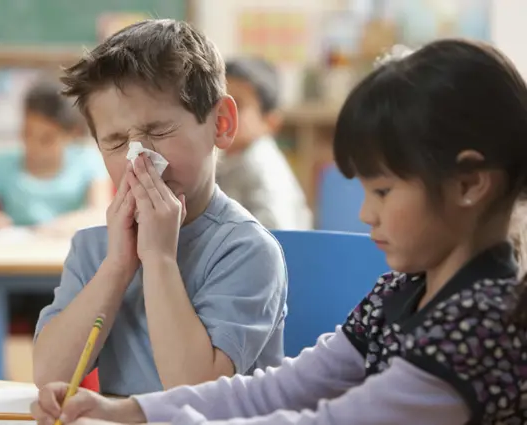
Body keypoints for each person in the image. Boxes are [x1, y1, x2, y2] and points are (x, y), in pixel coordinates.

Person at [31, 39, 527, 424]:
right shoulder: (405, 289)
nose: (365, 215)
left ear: (468, 184)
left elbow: (331, 421)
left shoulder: (481, 326)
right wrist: (130, 412)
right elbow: (285, 387)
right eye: (116, 140)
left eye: (383, 192)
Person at [32, 19, 288, 397]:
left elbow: (196, 394)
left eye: (159, 131)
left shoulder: (247, 251)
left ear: (221, 123)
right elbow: (49, 376)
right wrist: (117, 266)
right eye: (117, 141)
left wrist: (158, 259)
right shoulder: (96, 249)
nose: (140, 160)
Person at [0, 79, 111, 377]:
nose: (33, 146)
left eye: (47, 138)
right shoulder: (2, 163)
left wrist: (56, 226)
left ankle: (59, 391)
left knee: (57, 322)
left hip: (61, 280)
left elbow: (100, 212)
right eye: (27, 134)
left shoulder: (87, 162)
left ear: (70, 135)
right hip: (7, 277)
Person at [216, 57, 312, 230]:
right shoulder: (228, 160)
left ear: (270, 122)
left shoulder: (263, 168)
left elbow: (279, 235)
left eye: (238, 104)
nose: (222, 112)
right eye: (218, 102)